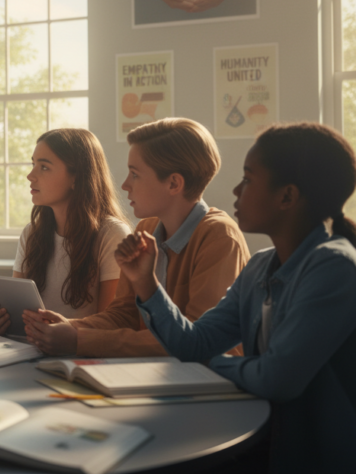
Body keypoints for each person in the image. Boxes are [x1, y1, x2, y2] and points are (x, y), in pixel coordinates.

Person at [118, 122, 356, 472]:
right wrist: (146, 284)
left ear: (287, 196)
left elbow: (277, 378)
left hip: (316, 457)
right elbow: (194, 343)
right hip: (268, 444)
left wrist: (211, 365)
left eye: (247, 179)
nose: (234, 190)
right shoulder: (260, 267)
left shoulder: (334, 266)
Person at [14, 118, 249, 357]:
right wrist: (68, 327)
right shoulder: (146, 229)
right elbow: (124, 314)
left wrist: (79, 339)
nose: (125, 185)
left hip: (206, 382)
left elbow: (195, 341)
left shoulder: (220, 237)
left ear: (174, 183)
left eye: (135, 174)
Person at [0, 129, 131, 333]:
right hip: (30, 349)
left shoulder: (112, 234)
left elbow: (111, 324)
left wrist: (64, 331)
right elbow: (18, 314)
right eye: (33, 164)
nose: (30, 176)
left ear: (76, 177)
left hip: (80, 354)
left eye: (44, 167)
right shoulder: (31, 233)